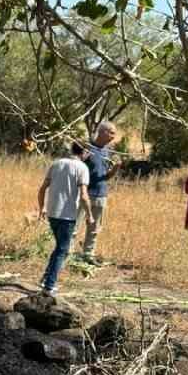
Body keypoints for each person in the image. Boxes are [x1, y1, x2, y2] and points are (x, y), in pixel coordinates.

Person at [37, 140, 91, 294]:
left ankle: (46, 277)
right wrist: (90, 215)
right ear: (84, 152)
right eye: (88, 152)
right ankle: (49, 286)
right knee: (63, 250)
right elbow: (84, 196)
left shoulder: (57, 163)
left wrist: (42, 208)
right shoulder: (82, 168)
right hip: (67, 215)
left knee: (60, 247)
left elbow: (42, 189)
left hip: (52, 213)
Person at [78, 119, 119, 263]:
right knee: (76, 225)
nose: (114, 137)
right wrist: (82, 159)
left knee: (94, 228)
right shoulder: (88, 148)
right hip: (85, 194)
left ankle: (88, 255)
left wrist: (115, 169)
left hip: (101, 194)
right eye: (112, 133)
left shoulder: (107, 151)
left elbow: (106, 176)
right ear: (103, 132)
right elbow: (77, 169)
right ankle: (67, 254)